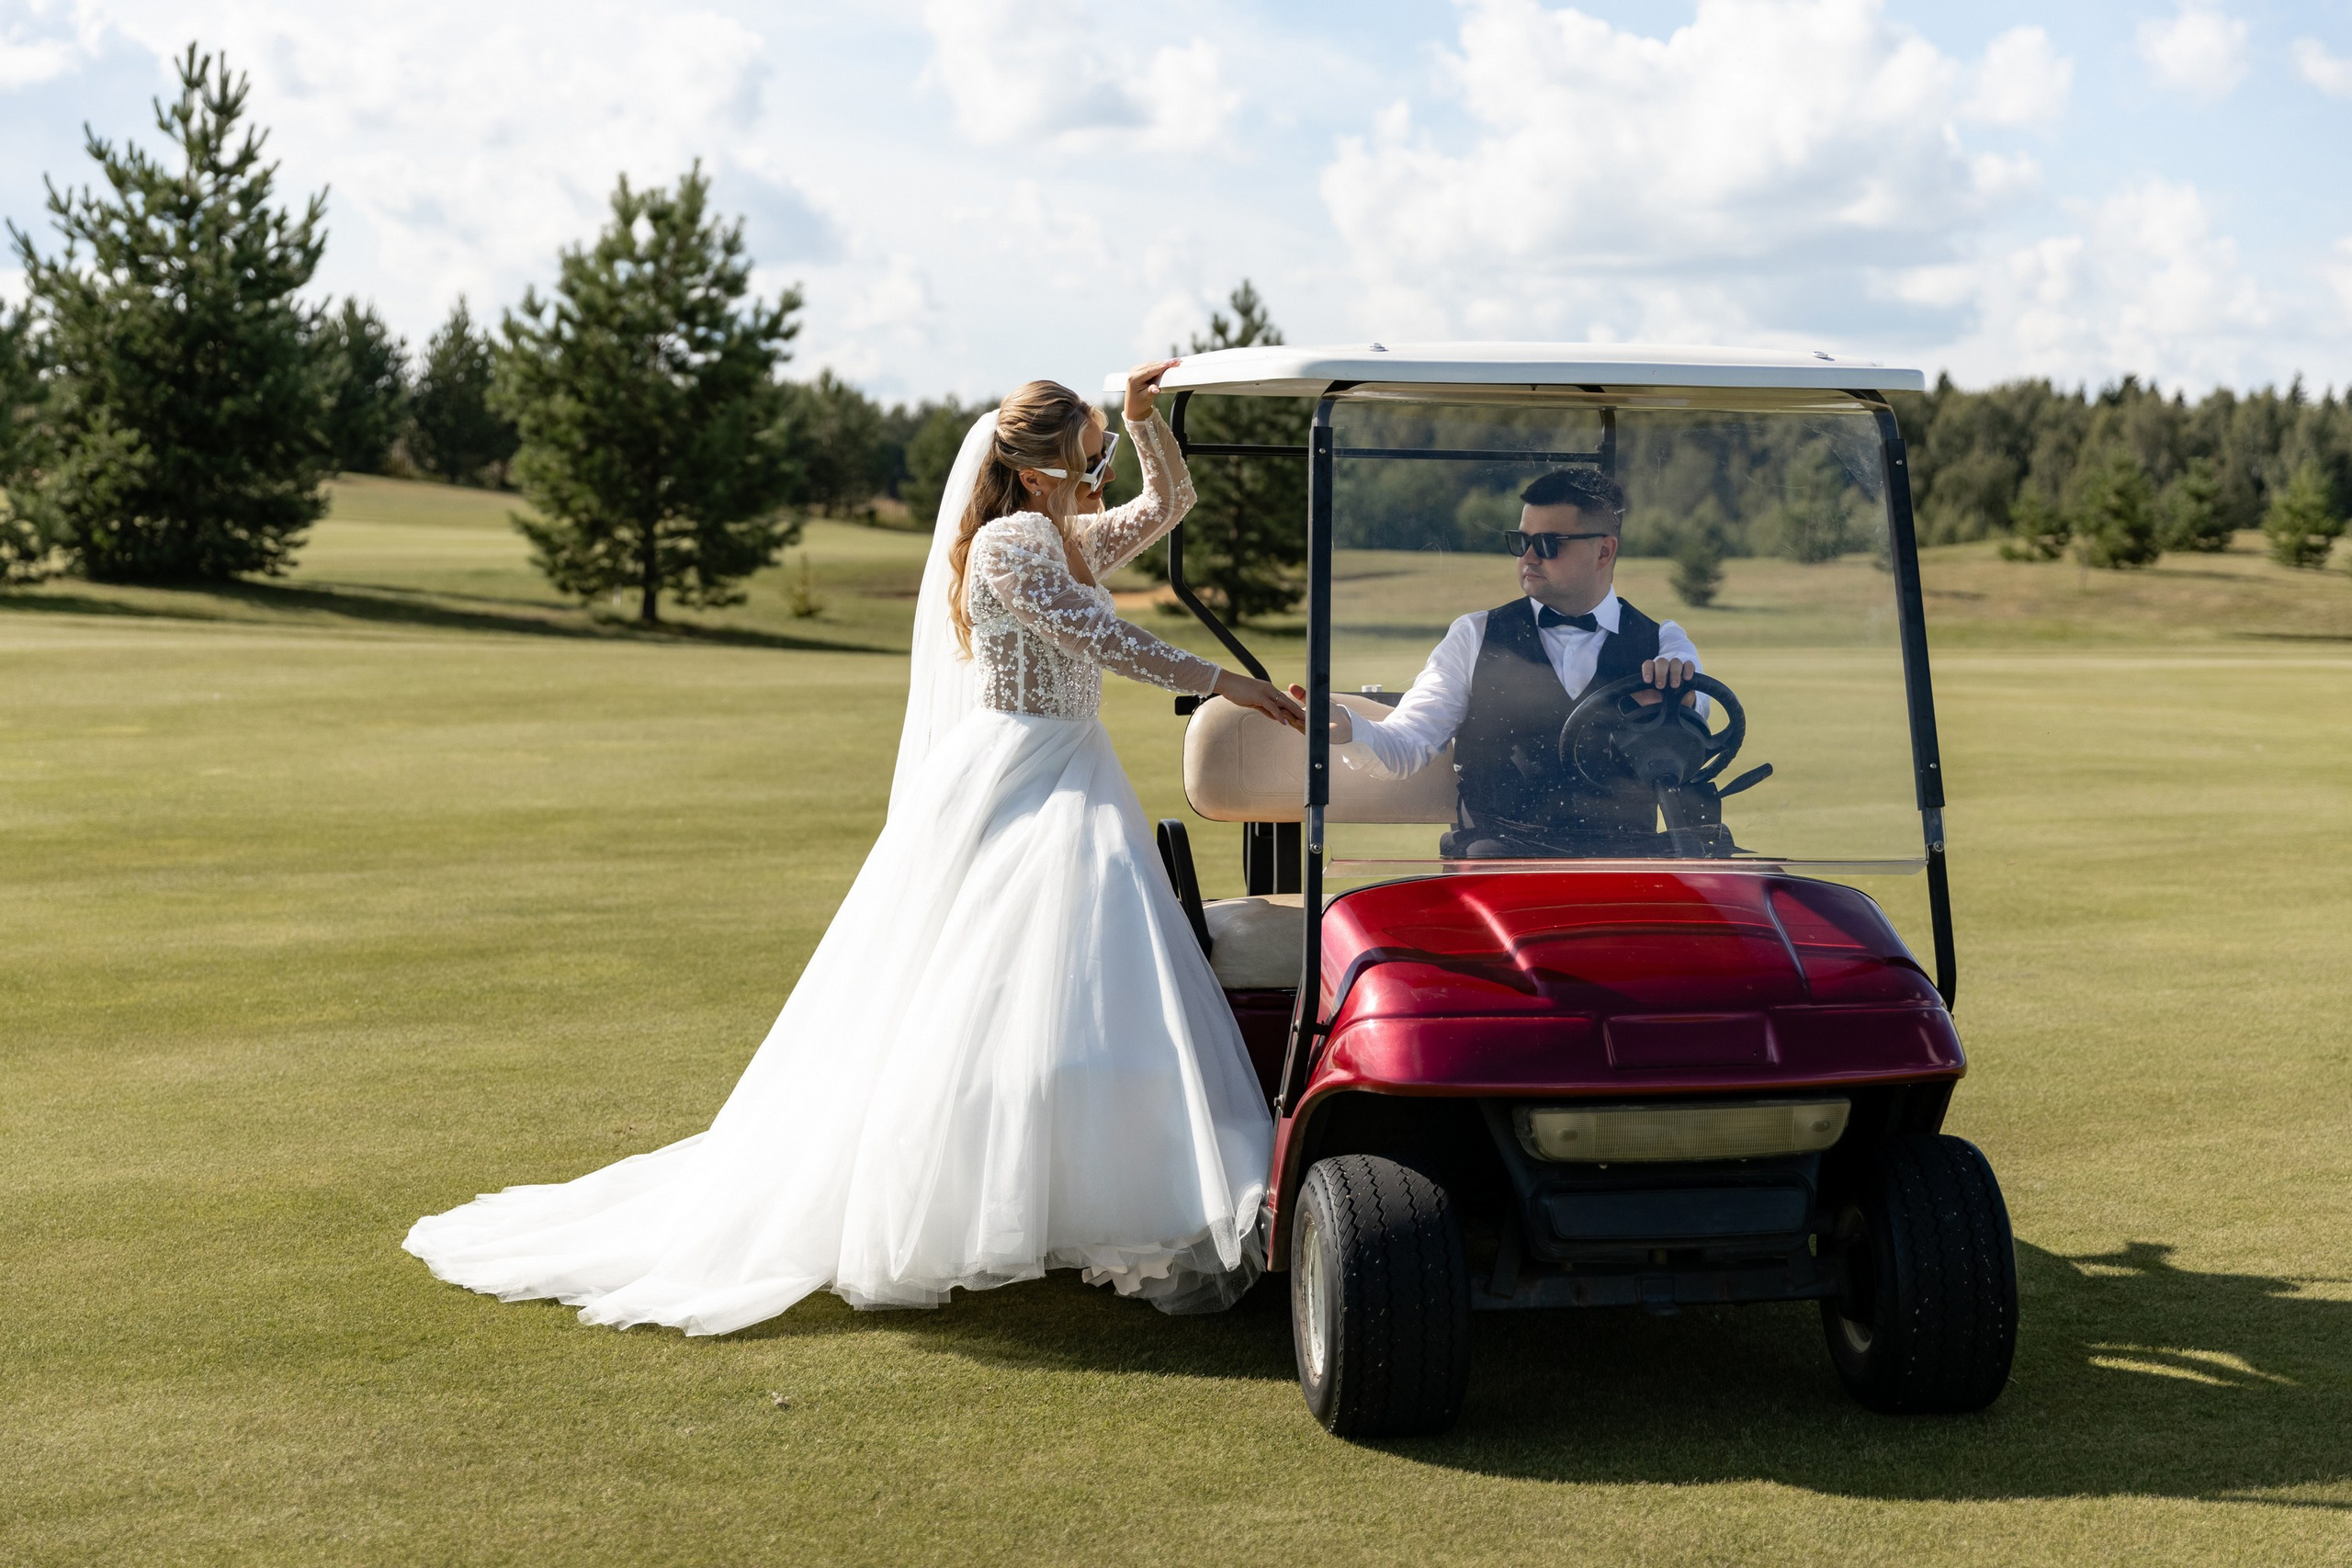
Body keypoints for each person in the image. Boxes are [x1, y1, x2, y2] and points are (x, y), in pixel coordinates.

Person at [404, 364, 1306, 1335]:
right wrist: (1231, 682)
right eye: (1089, 452)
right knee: (999, 982)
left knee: (1083, 984)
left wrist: (1142, 420)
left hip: (1075, 768)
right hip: (1020, 773)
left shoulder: (1064, 532)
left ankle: (1079, 1198)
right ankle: (972, 1199)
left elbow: (1171, 501)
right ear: (1039, 467)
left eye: (1101, 452)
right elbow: (1105, 640)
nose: (1101, 470)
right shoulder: (1012, 546)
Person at [1315, 467, 1703, 859]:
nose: (1529, 557)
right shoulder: (1473, 636)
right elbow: (1408, 740)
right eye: (1522, 541)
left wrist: (1681, 698)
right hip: (1499, 859)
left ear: (1604, 551)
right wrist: (1348, 729)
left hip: (1624, 864)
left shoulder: (1663, 643)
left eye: (1549, 543)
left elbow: (1695, 723)